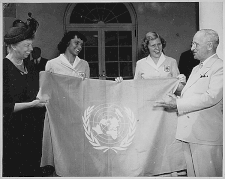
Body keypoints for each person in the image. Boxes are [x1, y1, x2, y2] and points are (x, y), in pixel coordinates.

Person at [154, 29, 223, 177]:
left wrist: (178, 104)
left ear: (209, 45)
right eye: (192, 44)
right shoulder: (196, 68)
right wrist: (176, 93)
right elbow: (190, 94)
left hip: (206, 137)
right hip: (189, 135)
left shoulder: (220, 67)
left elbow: (211, 97)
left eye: (196, 45)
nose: (192, 48)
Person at [3, 20, 54, 177]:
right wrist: (31, 105)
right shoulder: (3, 69)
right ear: (12, 46)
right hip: (12, 134)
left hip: (34, 132)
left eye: (31, 45)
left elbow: (36, 93)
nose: (31, 49)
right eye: (26, 45)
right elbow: (3, 106)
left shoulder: (31, 67)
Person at [116, 31, 186, 94]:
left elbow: (178, 89)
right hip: (147, 104)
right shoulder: (140, 64)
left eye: (159, 44)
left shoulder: (171, 62)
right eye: (153, 45)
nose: (157, 48)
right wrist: (121, 84)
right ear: (147, 47)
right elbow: (135, 88)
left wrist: (182, 82)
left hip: (167, 104)